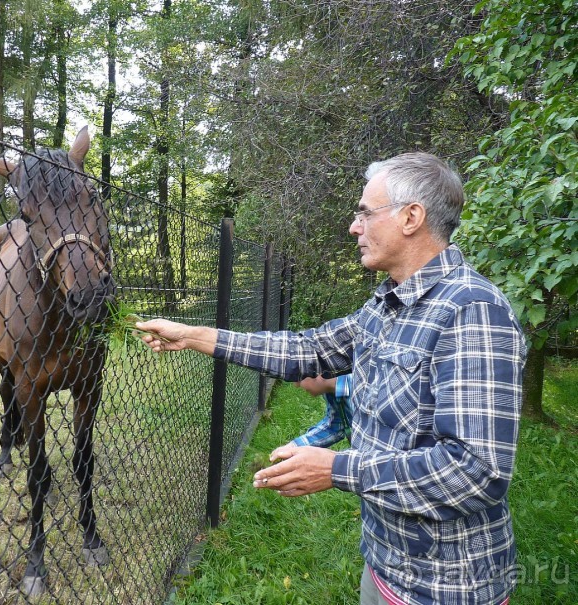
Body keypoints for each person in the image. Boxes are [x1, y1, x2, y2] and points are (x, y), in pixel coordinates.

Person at [136, 152, 526, 605]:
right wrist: (193, 335)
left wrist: (336, 469)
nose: (354, 227)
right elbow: (310, 349)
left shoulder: (472, 311)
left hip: (446, 586)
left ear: (411, 217)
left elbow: (476, 472)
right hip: (386, 563)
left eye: (365, 213)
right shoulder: (389, 302)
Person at [292, 374, 353, 447]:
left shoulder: (360, 389)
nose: (296, 385)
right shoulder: (332, 390)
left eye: (298, 379)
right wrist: (293, 446)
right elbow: (335, 425)